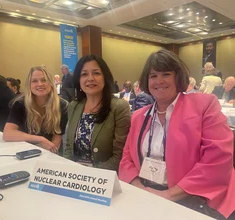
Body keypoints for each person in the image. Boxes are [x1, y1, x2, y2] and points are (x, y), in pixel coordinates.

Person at [119, 49, 235, 219]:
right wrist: (141, 190)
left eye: (166, 74)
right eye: (153, 76)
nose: (159, 81)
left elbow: (218, 159)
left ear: (178, 77)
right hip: (149, 194)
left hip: (197, 200)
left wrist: (168, 196)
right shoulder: (138, 116)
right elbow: (126, 159)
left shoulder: (204, 105)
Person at [63, 55, 131, 171]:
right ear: (78, 80)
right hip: (74, 175)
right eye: (84, 74)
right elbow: (68, 147)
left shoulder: (119, 107)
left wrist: (90, 175)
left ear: (105, 77)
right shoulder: (74, 106)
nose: (90, 78)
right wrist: (69, 171)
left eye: (96, 73)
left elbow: (119, 156)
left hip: (103, 178)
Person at [3, 66, 68, 153]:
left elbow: (57, 139)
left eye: (44, 80)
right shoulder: (20, 104)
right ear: (29, 85)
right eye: (34, 81)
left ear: (51, 83)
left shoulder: (62, 105)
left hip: (50, 154)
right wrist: (40, 139)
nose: (40, 84)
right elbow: (7, 134)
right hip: (25, 151)